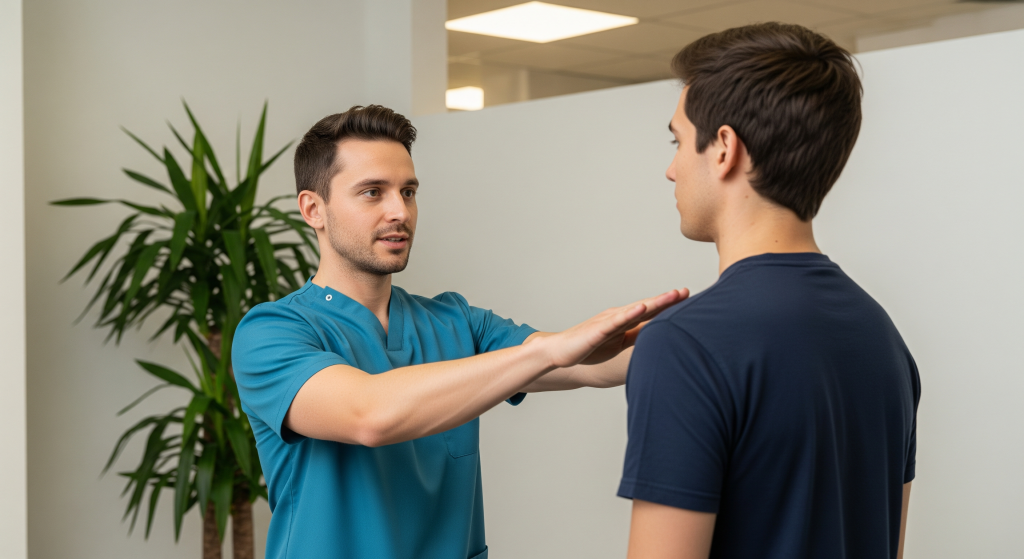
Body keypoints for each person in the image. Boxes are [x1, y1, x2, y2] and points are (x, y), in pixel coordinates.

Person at [231, 105, 686, 559]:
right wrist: (549, 351)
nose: (399, 211)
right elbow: (369, 415)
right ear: (314, 209)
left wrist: (712, 327)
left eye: (408, 192)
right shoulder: (273, 332)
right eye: (373, 192)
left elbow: (594, 367)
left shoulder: (455, 321)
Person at [618, 23, 921, 559]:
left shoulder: (685, 344)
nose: (671, 169)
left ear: (724, 150)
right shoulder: (883, 337)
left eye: (678, 141)